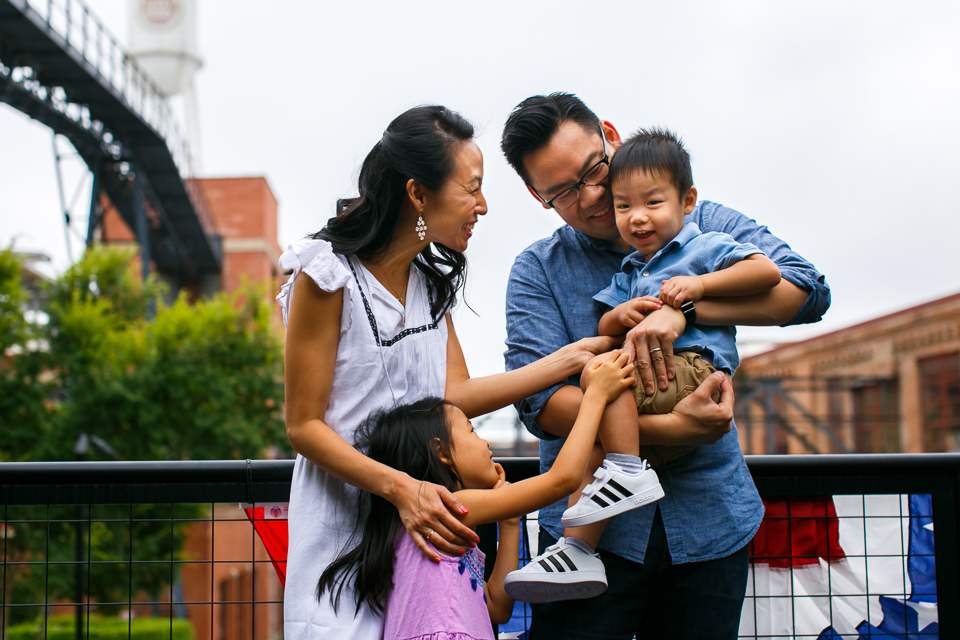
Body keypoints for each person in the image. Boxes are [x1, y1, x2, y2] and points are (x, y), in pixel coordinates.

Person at [500, 93, 831, 638]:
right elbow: (544, 406)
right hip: (591, 536)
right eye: (562, 191)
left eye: (593, 171)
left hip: (711, 519)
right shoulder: (538, 268)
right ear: (538, 197)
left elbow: (806, 290)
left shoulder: (704, 223)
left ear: (611, 135)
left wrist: (685, 310)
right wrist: (677, 429)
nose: (591, 197)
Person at [279, 104, 614, 639]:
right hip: (348, 532)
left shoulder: (430, 285)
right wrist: (403, 490)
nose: (482, 206)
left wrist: (569, 360)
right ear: (418, 194)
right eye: (472, 188)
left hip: (424, 528)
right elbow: (303, 426)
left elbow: (453, 393)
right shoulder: (326, 273)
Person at [316, 350, 633, 640]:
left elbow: (496, 608)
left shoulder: (436, 524)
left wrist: (509, 523)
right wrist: (596, 397)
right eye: (471, 430)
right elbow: (562, 481)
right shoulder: (447, 507)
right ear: (440, 451)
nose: (484, 443)